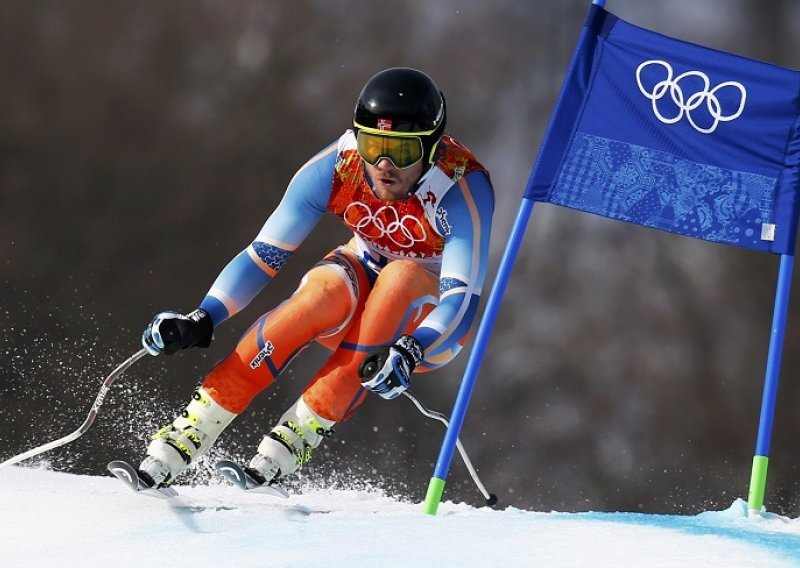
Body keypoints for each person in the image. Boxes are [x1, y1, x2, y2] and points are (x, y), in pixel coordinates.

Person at [133, 67, 495, 491]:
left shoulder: (460, 187)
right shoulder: (339, 166)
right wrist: (204, 317)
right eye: (373, 144)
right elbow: (263, 255)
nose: (382, 165)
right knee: (320, 293)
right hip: (361, 276)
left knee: (399, 279)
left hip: (427, 324)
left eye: (400, 152)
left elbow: (462, 303)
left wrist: (412, 350)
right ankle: (188, 433)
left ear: (431, 148)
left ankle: (292, 440)